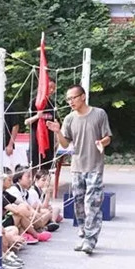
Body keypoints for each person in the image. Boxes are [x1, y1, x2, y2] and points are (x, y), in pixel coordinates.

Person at [46, 85, 112, 254]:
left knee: (93, 204)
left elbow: (108, 137)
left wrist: (101, 142)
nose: (70, 102)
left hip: (94, 166)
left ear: (83, 96)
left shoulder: (99, 114)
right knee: (78, 204)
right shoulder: (69, 118)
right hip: (77, 167)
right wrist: (57, 132)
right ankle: (83, 233)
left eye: (73, 98)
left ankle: (90, 239)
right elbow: (65, 144)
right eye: (68, 99)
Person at [25, 79, 57, 169]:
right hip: (36, 139)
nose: (51, 90)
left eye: (54, 88)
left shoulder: (52, 103)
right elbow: (26, 121)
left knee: (47, 167)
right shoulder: (35, 102)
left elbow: (55, 121)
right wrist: (37, 116)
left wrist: (56, 139)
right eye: (49, 87)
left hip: (49, 139)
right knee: (34, 166)